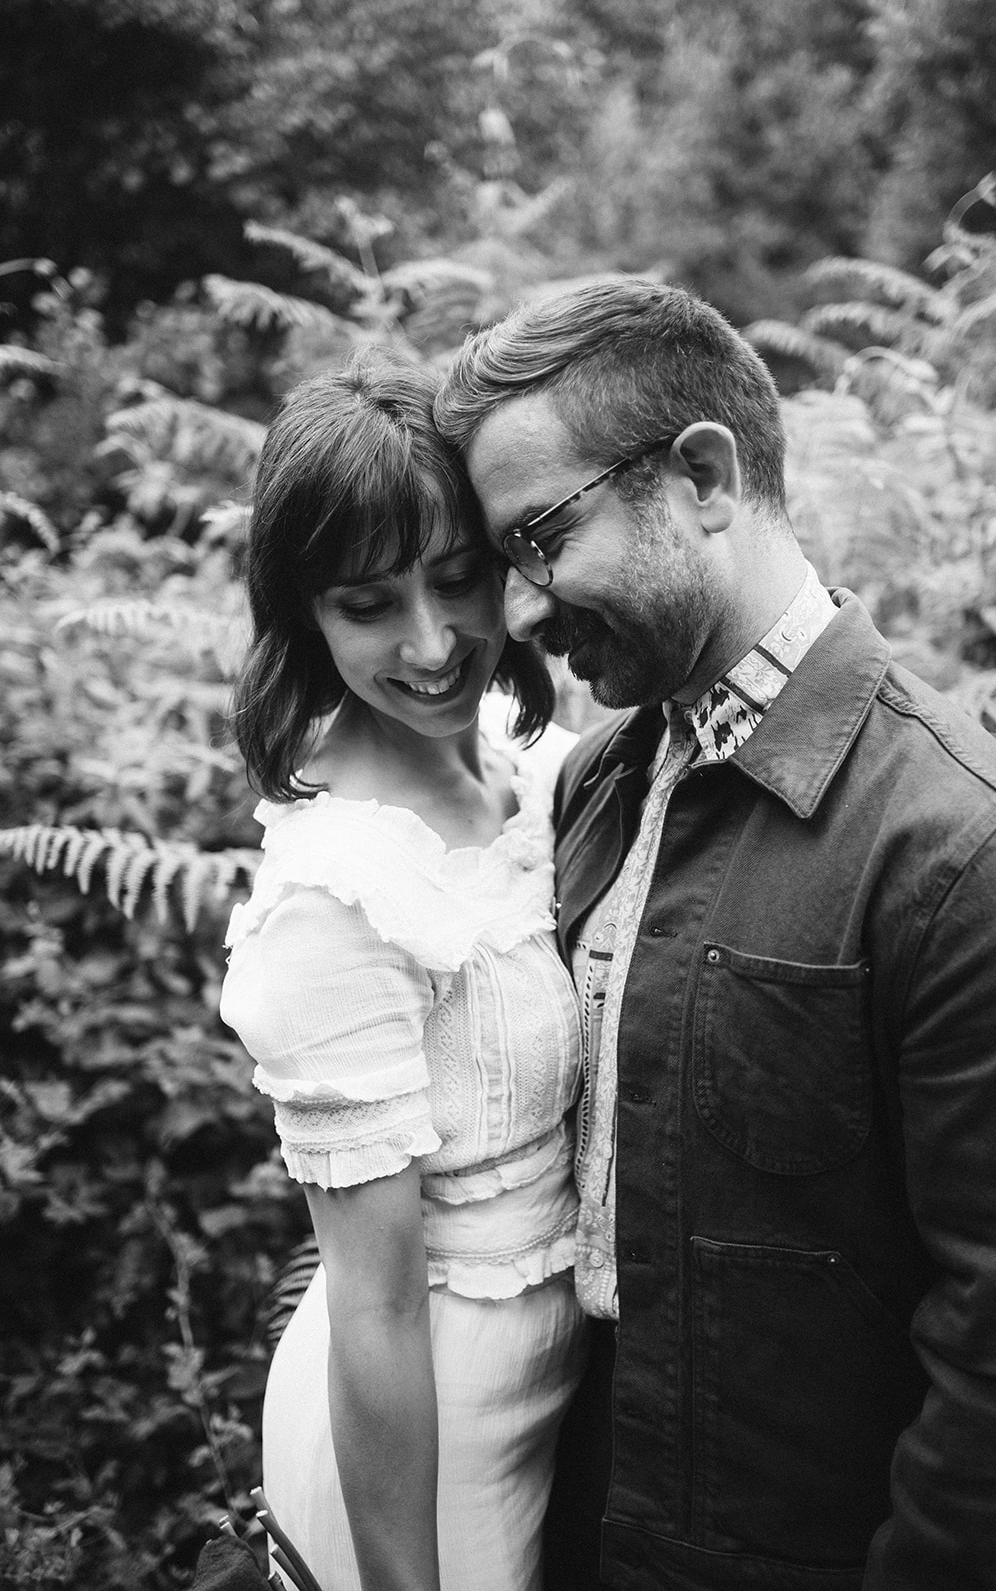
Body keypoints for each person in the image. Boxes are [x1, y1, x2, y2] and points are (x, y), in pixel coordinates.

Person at [433, 278, 996, 1591]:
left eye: (541, 537)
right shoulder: (595, 783)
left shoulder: (967, 853)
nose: (520, 609)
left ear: (703, 477)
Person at [218, 348, 586, 1591]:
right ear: (305, 616)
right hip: (430, 1439)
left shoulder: (533, 767)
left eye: (455, 578)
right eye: (368, 604)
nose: (432, 644)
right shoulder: (335, 895)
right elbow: (373, 1308)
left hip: (565, 1391)